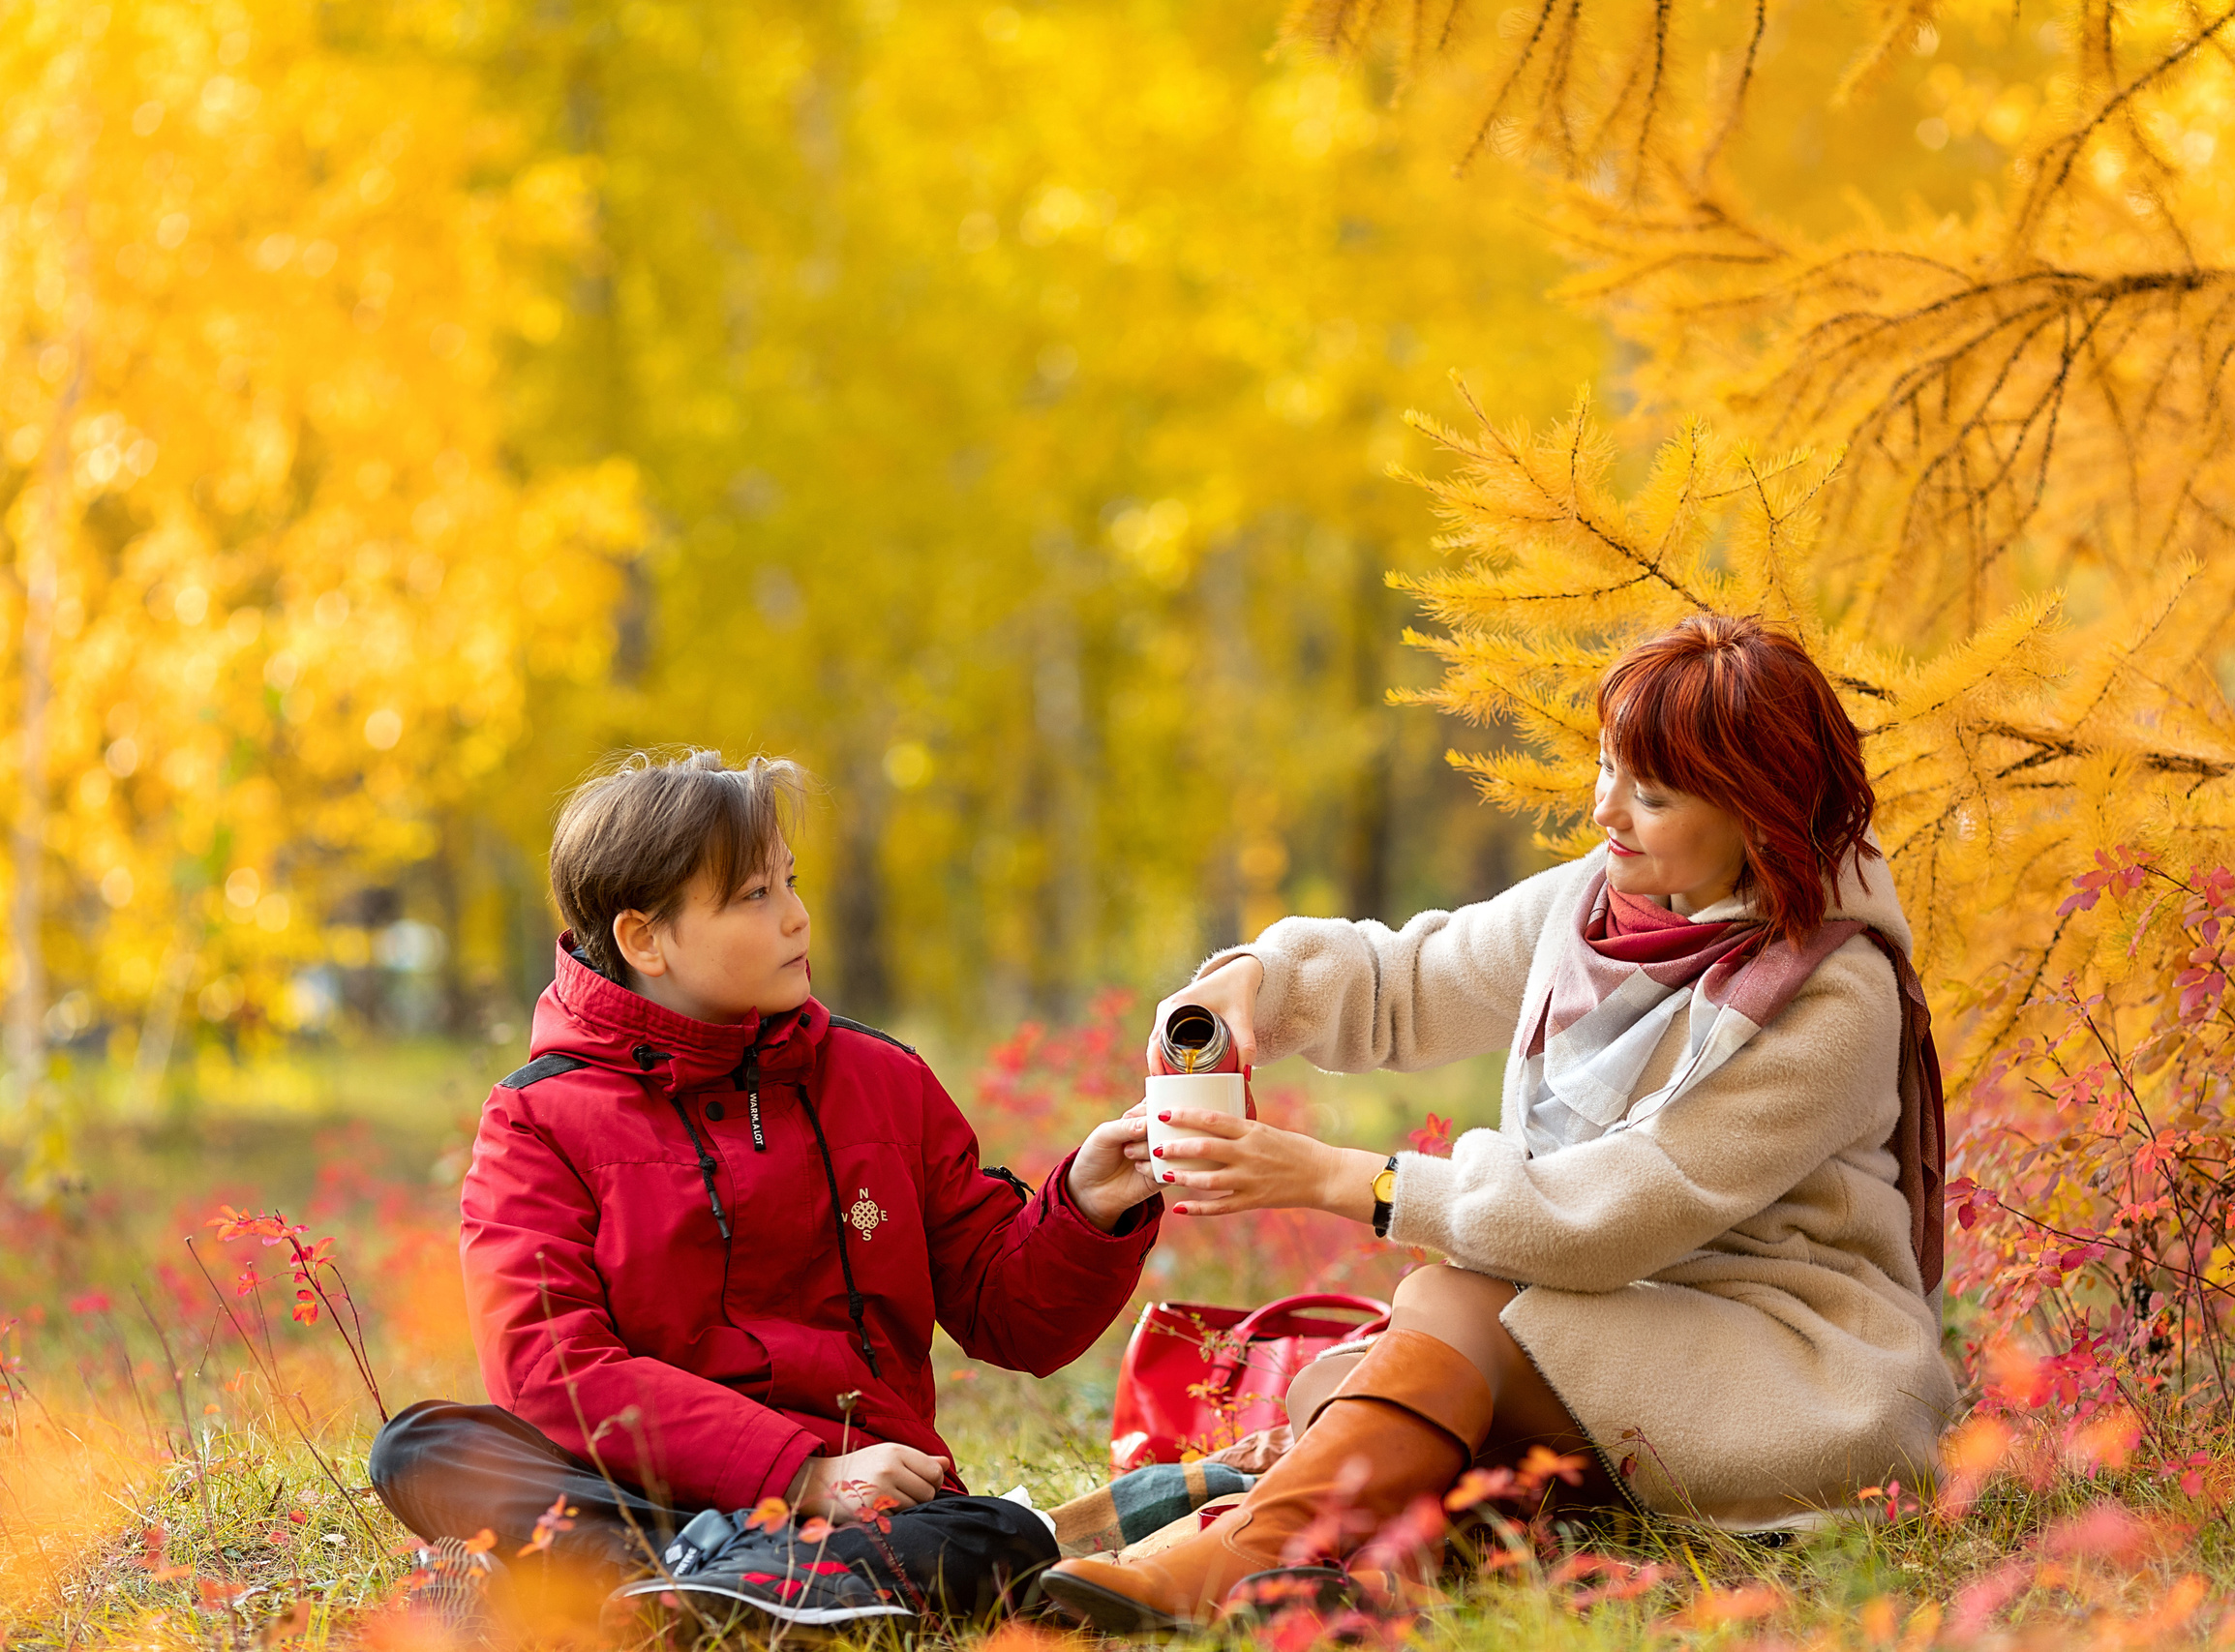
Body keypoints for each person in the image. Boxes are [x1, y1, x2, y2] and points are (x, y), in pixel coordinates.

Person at [1042, 616, 1955, 1632]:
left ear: (1760, 813)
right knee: (1356, 1381)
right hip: (1620, 1331)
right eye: (1607, 769)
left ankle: (1230, 1559)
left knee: (1450, 1313)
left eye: (1652, 795)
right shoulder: (1596, 908)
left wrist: (1336, 1177)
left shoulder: (1831, 993)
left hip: (1790, 1370)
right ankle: (1366, 1578)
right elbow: (1407, 978)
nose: (1605, 810)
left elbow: (1614, 1216)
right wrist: (1261, 977)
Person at [368, 750, 1163, 1632]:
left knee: (1000, 1534)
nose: (796, 916)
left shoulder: (882, 1080)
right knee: (424, 1445)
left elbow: (1009, 1313)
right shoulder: (538, 1116)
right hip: (642, 1485)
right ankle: (729, 1588)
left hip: (868, 1497)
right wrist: (796, 1473)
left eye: (790, 881)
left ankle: (647, 1589)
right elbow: (549, 1367)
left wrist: (1090, 1204)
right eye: (754, 894)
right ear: (645, 939)